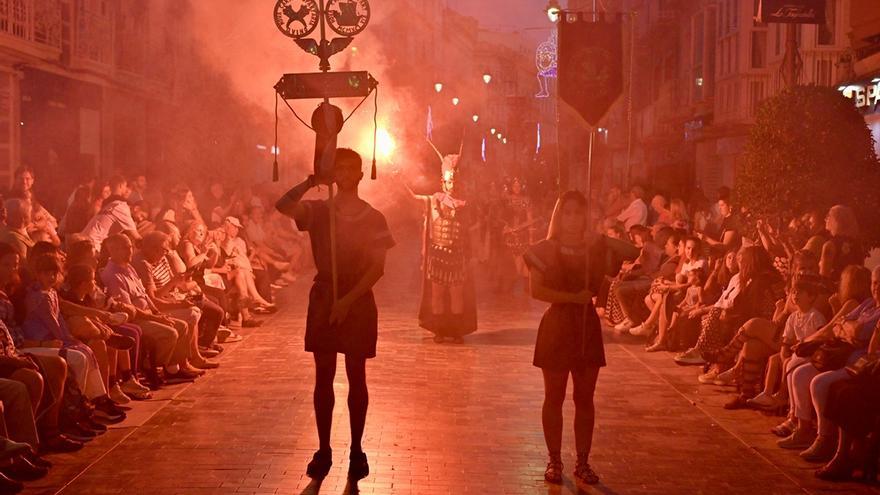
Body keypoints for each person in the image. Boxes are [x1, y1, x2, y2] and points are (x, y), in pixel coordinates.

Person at [275, 148, 394, 482]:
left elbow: (377, 267)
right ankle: (323, 448)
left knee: (357, 376)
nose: (343, 174)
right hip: (325, 295)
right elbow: (283, 206)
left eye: (349, 169)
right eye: (337, 169)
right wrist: (312, 181)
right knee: (323, 375)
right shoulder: (319, 211)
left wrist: (349, 299)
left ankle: (356, 449)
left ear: (359, 175)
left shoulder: (373, 218)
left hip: (356, 301)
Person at [524, 191, 609, 486]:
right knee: (554, 396)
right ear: (559, 215)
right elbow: (537, 291)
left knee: (585, 398)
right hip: (558, 324)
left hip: (587, 326)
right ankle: (554, 459)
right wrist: (573, 297)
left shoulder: (594, 249)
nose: (573, 218)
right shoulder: (545, 249)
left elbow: (628, 251)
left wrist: (598, 239)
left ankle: (583, 462)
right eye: (568, 212)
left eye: (579, 212)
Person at [400, 142, 478, 343]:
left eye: (456, 182)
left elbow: (469, 233)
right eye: (450, 183)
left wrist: (472, 256)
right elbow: (413, 198)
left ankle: (457, 330)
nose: (453, 186)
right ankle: (439, 330)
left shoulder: (465, 205)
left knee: (457, 296)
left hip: (457, 256)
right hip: (437, 255)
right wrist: (398, 179)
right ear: (444, 183)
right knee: (437, 295)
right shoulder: (434, 200)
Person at [80, 176, 141, 253]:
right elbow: (136, 237)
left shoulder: (109, 204)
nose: (126, 190)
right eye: (125, 187)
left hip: (83, 239)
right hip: (92, 244)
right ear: (121, 186)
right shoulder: (121, 206)